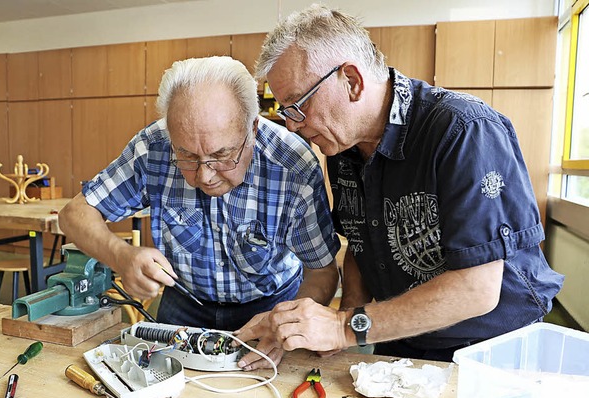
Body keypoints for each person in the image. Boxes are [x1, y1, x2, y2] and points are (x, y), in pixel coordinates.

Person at [235, 4, 564, 364]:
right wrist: (346, 315)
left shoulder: (463, 130)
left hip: (490, 344)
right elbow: (362, 244)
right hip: (402, 335)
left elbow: (477, 289)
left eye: (297, 105)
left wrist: (345, 326)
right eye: (286, 112)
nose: (293, 125)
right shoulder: (342, 148)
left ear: (352, 80)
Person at [58, 56, 340, 366]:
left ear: (254, 128)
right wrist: (120, 255)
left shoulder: (293, 166)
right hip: (183, 303)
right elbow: (74, 214)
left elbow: (321, 270)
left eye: (222, 155)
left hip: (270, 309)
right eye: (188, 155)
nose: (204, 175)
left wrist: (288, 324)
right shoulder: (153, 147)